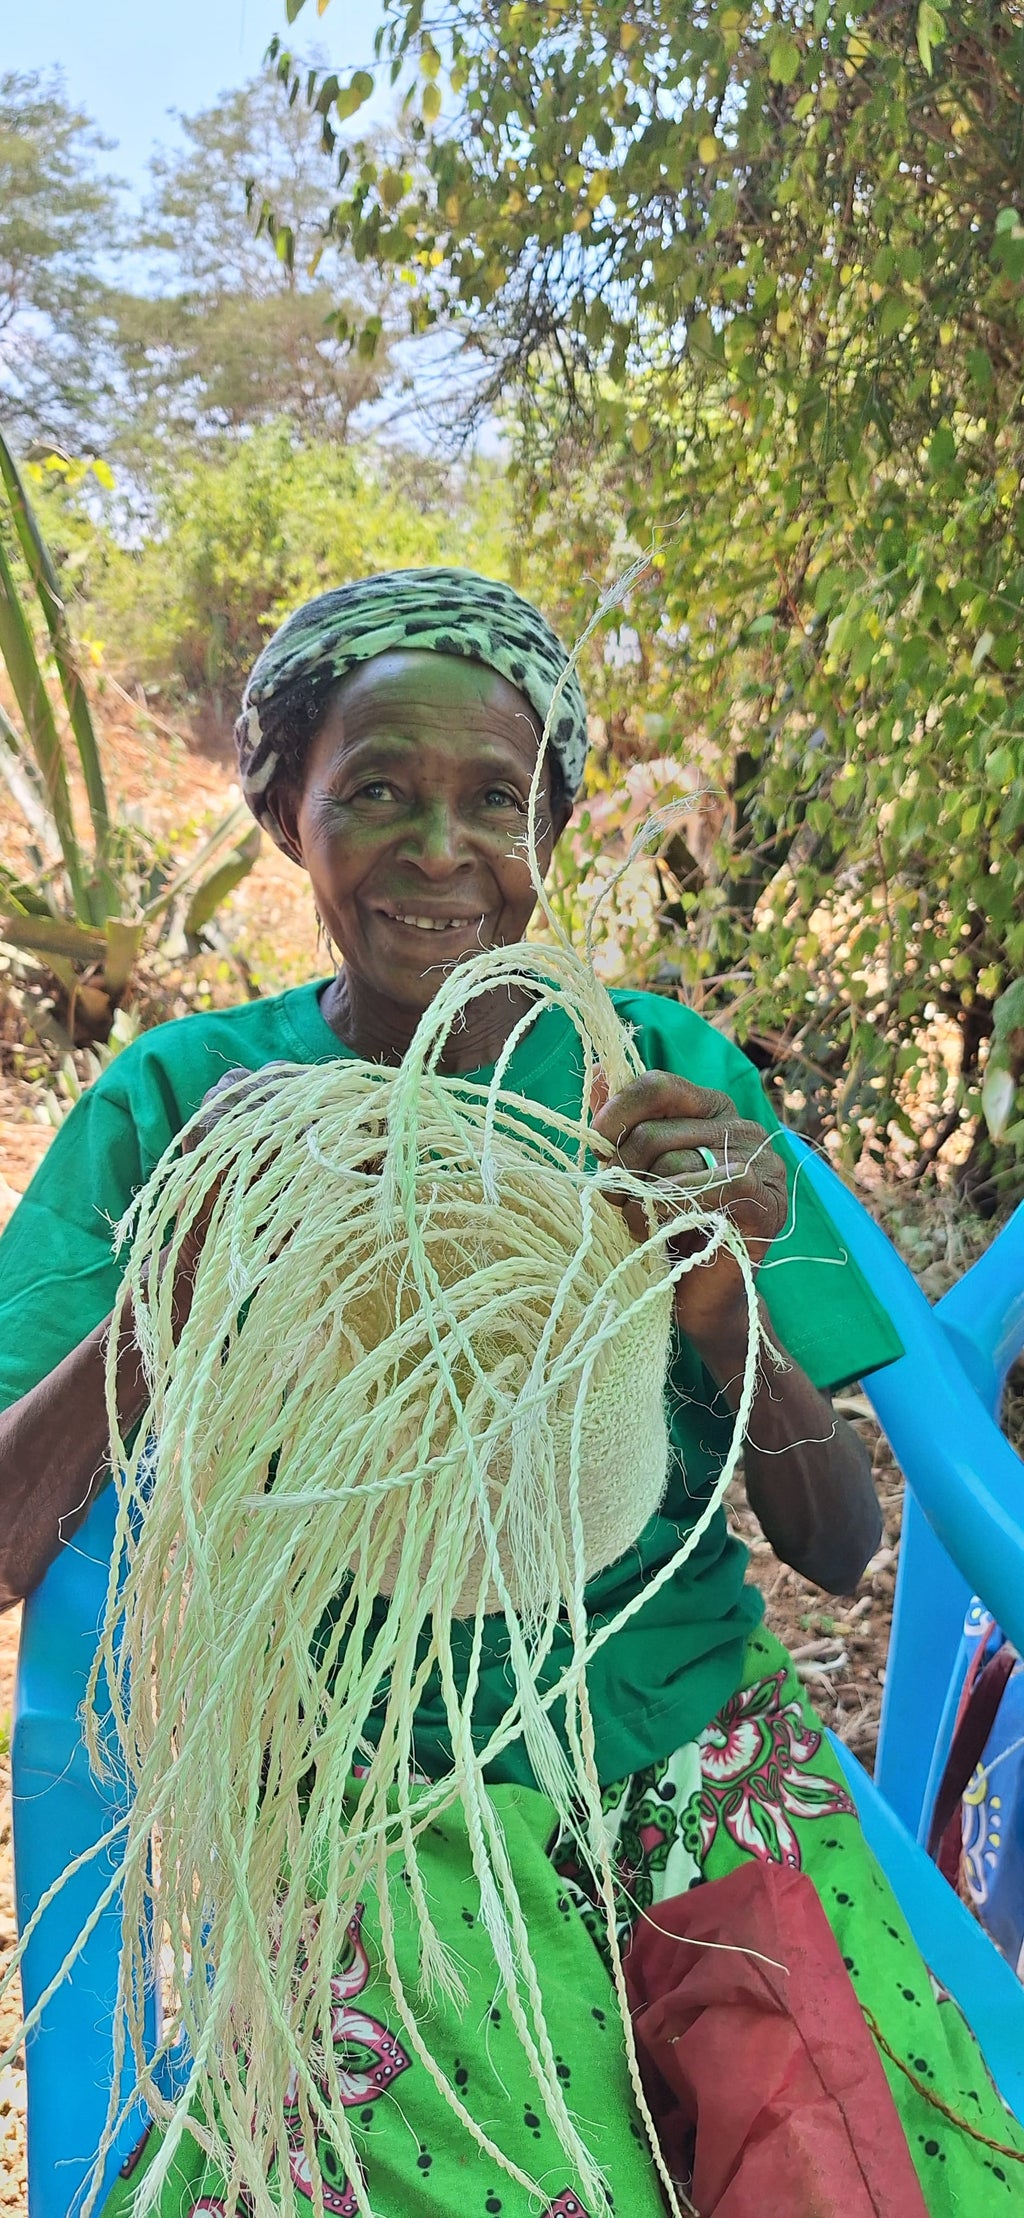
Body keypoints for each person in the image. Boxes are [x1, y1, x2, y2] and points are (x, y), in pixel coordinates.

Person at [0, 568, 1020, 2216]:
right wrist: (175, 1293)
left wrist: (715, 1299)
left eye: (493, 797)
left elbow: (834, 1542)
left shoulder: (651, 1076)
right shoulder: (185, 1105)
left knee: (846, 2161)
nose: (437, 847)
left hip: (702, 1756)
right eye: (377, 790)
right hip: (369, 1799)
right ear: (287, 814)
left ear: (546, 826)